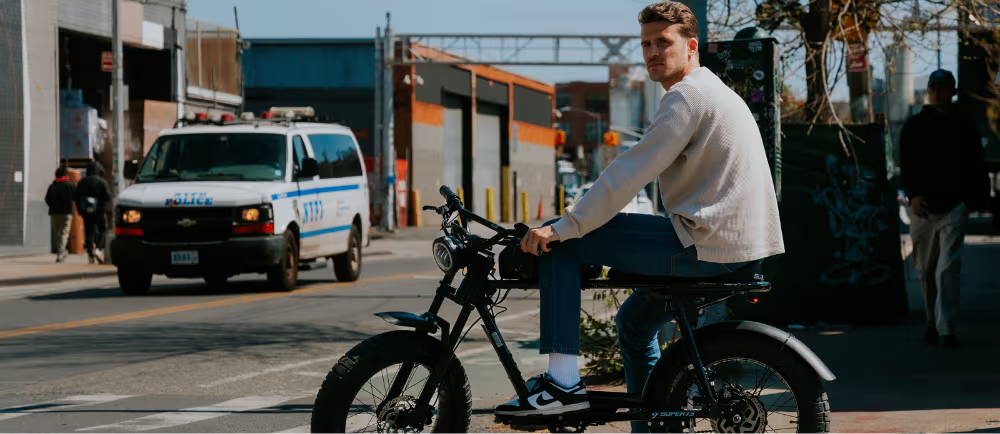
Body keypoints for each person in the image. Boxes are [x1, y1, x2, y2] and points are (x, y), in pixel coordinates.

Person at [494, 1, 784, 426]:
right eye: (646, 43)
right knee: (634, 322)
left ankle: (562, 386)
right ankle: (654, 423)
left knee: (564, 246)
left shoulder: (687, 96)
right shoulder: (707, 90)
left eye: (663, 42)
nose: (652, 51)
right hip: (729, 243)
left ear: (691, 46)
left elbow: (628, 173)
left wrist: (564, 227)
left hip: (707, 245)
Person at [900, 69, 988, 349]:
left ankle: (945, 328)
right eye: (935, 88)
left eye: (944, 88)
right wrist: (913, 195)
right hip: (923, 207)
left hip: (954, 205)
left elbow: (976, 163)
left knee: (947, 268)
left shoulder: (965, 125)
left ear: (953, 91)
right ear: (929, 90)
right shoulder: (914, 126)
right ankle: (931, 319)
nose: (939, 93)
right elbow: (908, 163)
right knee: (926, 269)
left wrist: (971, 201)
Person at [75, 161, 113, 264]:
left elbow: (76, 197)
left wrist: (80, 210)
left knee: (89, 232)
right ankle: (99, 248)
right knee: (103, 229)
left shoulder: (82, 182)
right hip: (100, 210)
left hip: (86, 211)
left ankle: (90, 254)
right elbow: (108, 196)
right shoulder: (102, 181)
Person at [44, 167, 76, 263]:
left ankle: (61, 251)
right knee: (64, 233)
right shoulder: (70, 185)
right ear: (66, 175)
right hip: (66, 213)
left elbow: (47, 199)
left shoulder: (52, 186)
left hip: (54, 213)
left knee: (58, 234)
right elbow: (75, 197)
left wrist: (53, 205)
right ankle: (61, 253)